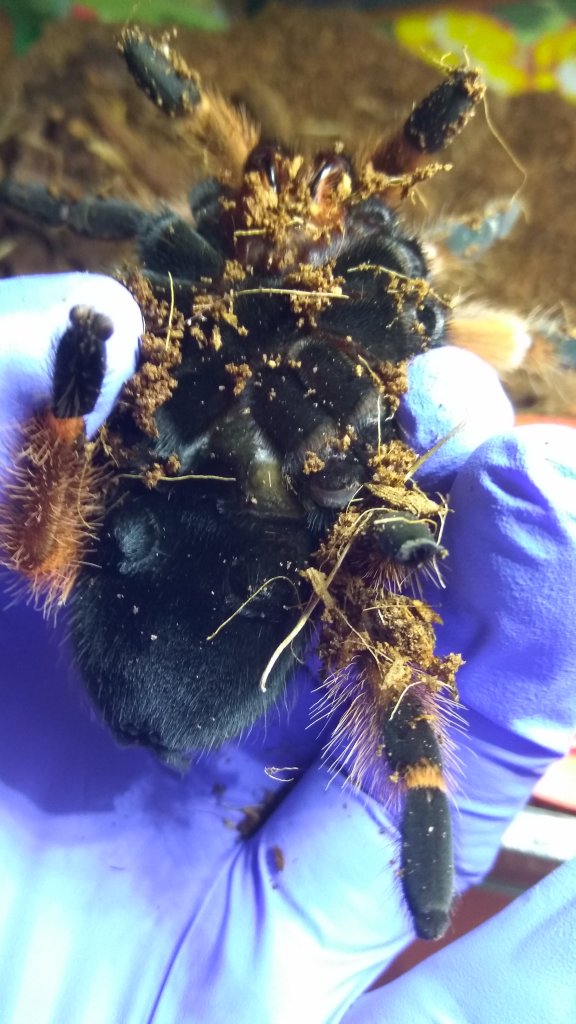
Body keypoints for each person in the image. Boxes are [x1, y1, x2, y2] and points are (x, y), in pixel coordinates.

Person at [0, 272, 574, 1024]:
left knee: (383, 615)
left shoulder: (199, 398)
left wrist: (67, 423)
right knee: (382, 625)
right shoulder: (327, 470)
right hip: (184, 617)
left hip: (151, 585)